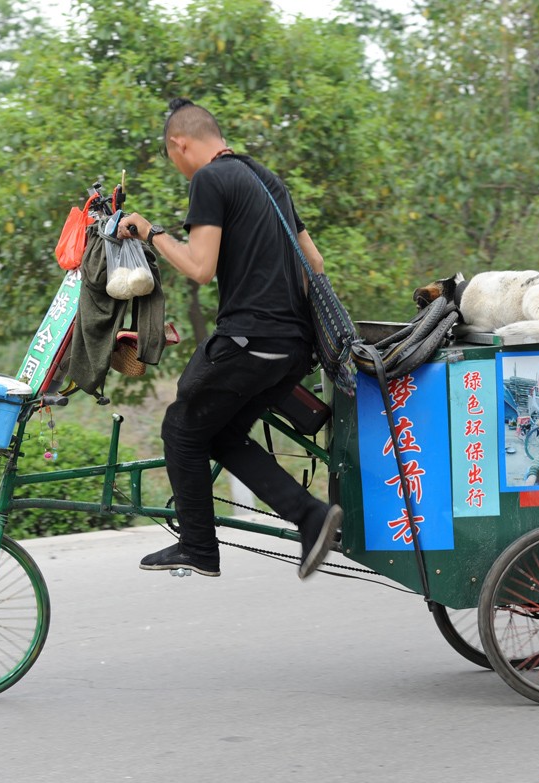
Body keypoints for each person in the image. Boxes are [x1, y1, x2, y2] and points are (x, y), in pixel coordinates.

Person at [116, 97, 343, 579]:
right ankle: (310, 515)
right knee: (215, 433)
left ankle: (198, 547)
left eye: (170, 156)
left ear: (179, 144)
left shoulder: (210, 179)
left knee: (180, 426)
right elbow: (315, 263)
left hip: (251, 340)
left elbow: (200, 269)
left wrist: (151, 232)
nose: (177, 167)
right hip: (292, 347)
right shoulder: (266, 178)